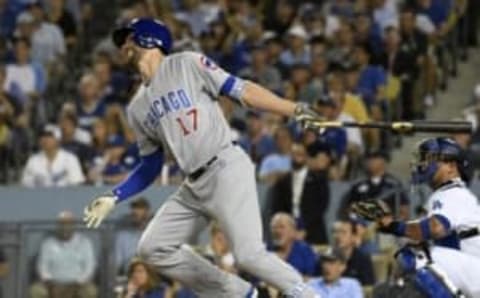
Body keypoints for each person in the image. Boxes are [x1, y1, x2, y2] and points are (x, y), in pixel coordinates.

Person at [83, 18, 321, 297]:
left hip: (224, 166)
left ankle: (307, 294)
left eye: (128, 37)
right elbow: (150, 165)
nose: (124, 45)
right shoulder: (137, 106)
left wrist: (293, 109)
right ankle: (239, 293)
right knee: (152, 248)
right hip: (193, 184)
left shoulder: (186, 63)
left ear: (148, 38)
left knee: (249, 256)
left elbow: (241, 90)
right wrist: (115, 195)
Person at [368, 137, 480, 258]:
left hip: (472, 264)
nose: (425, 164)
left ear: (451, 167)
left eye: (432, 159)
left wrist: (395, 226)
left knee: (414, 260)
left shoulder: (452, 192)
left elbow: (435, 227)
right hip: (468, 262)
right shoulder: (455, 193)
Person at [270, 142, 330, 244]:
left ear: (306, 156)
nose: (297, 157)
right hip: (287, 232)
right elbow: (277, 207)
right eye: (294, 154)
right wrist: (288, 229)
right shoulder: (283, 181)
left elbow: (322, 205)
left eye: (300, 154)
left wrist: (305, 229)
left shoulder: (318, 180)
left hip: (313, 232)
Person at [30, 211, 97, 298]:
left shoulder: (84, 242)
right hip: (53, 284)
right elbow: (42, 266)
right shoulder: (48, 243)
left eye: (68, 224)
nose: (65, 227)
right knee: (36, 291)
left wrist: (77, 284)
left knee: (90, 291)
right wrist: (50, 284)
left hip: (78, 284)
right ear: (58, 226)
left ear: (74, 225)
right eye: (62, 224)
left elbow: (89, 267)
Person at [339, 150, 410, 219]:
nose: (370, 162)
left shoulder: (393, 184)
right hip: (363, 226)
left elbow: (404, 210)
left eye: (374, 158)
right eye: (369, 159)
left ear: (383, 162)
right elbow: (349, 208)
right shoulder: (358, 184)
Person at [270, 213, 318, 278]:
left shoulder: (304, 250)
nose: (277, 231)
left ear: (293, 231)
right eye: (274, 227)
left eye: (281, 227)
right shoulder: (264, 251)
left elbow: (311, 277)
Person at [332, 219, 375, 286]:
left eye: (343, 232)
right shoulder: (327, 258)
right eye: (336, 232)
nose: (338, 236)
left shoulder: (363, 260)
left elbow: (368, 287)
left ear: (353, 237)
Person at [116, 197, 152, 274]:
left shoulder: (155, 233)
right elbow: (117, 262)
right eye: (134, 208)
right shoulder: (123, 235)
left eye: (140, 208)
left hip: (153, 275)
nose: (135, 211)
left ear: (147, 212)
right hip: (129, 275)